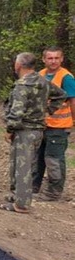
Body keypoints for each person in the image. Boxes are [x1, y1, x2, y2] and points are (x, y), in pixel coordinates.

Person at [0, 52, 66, 213]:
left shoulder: (22, 86)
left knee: (23, 167)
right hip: (38, 130)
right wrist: (48, 110)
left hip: (24, 130)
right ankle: (17, 194)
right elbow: (61, 95)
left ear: (19, 65)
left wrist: (10, 130)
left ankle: (21, 204)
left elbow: (16, 113)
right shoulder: (42, 81)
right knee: (21, 163)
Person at [35, 46, 75, 201]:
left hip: (58, 127)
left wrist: (73, 122)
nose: (53, 61)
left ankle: (54, 192)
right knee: (37, 157)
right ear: (43, 59)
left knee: (54, 159)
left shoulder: (66, 78)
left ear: (62, 59)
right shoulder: (40, 75)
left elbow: (73, 101)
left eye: (56, 58)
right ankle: (34, 186)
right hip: (41, 125)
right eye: (50, 58)